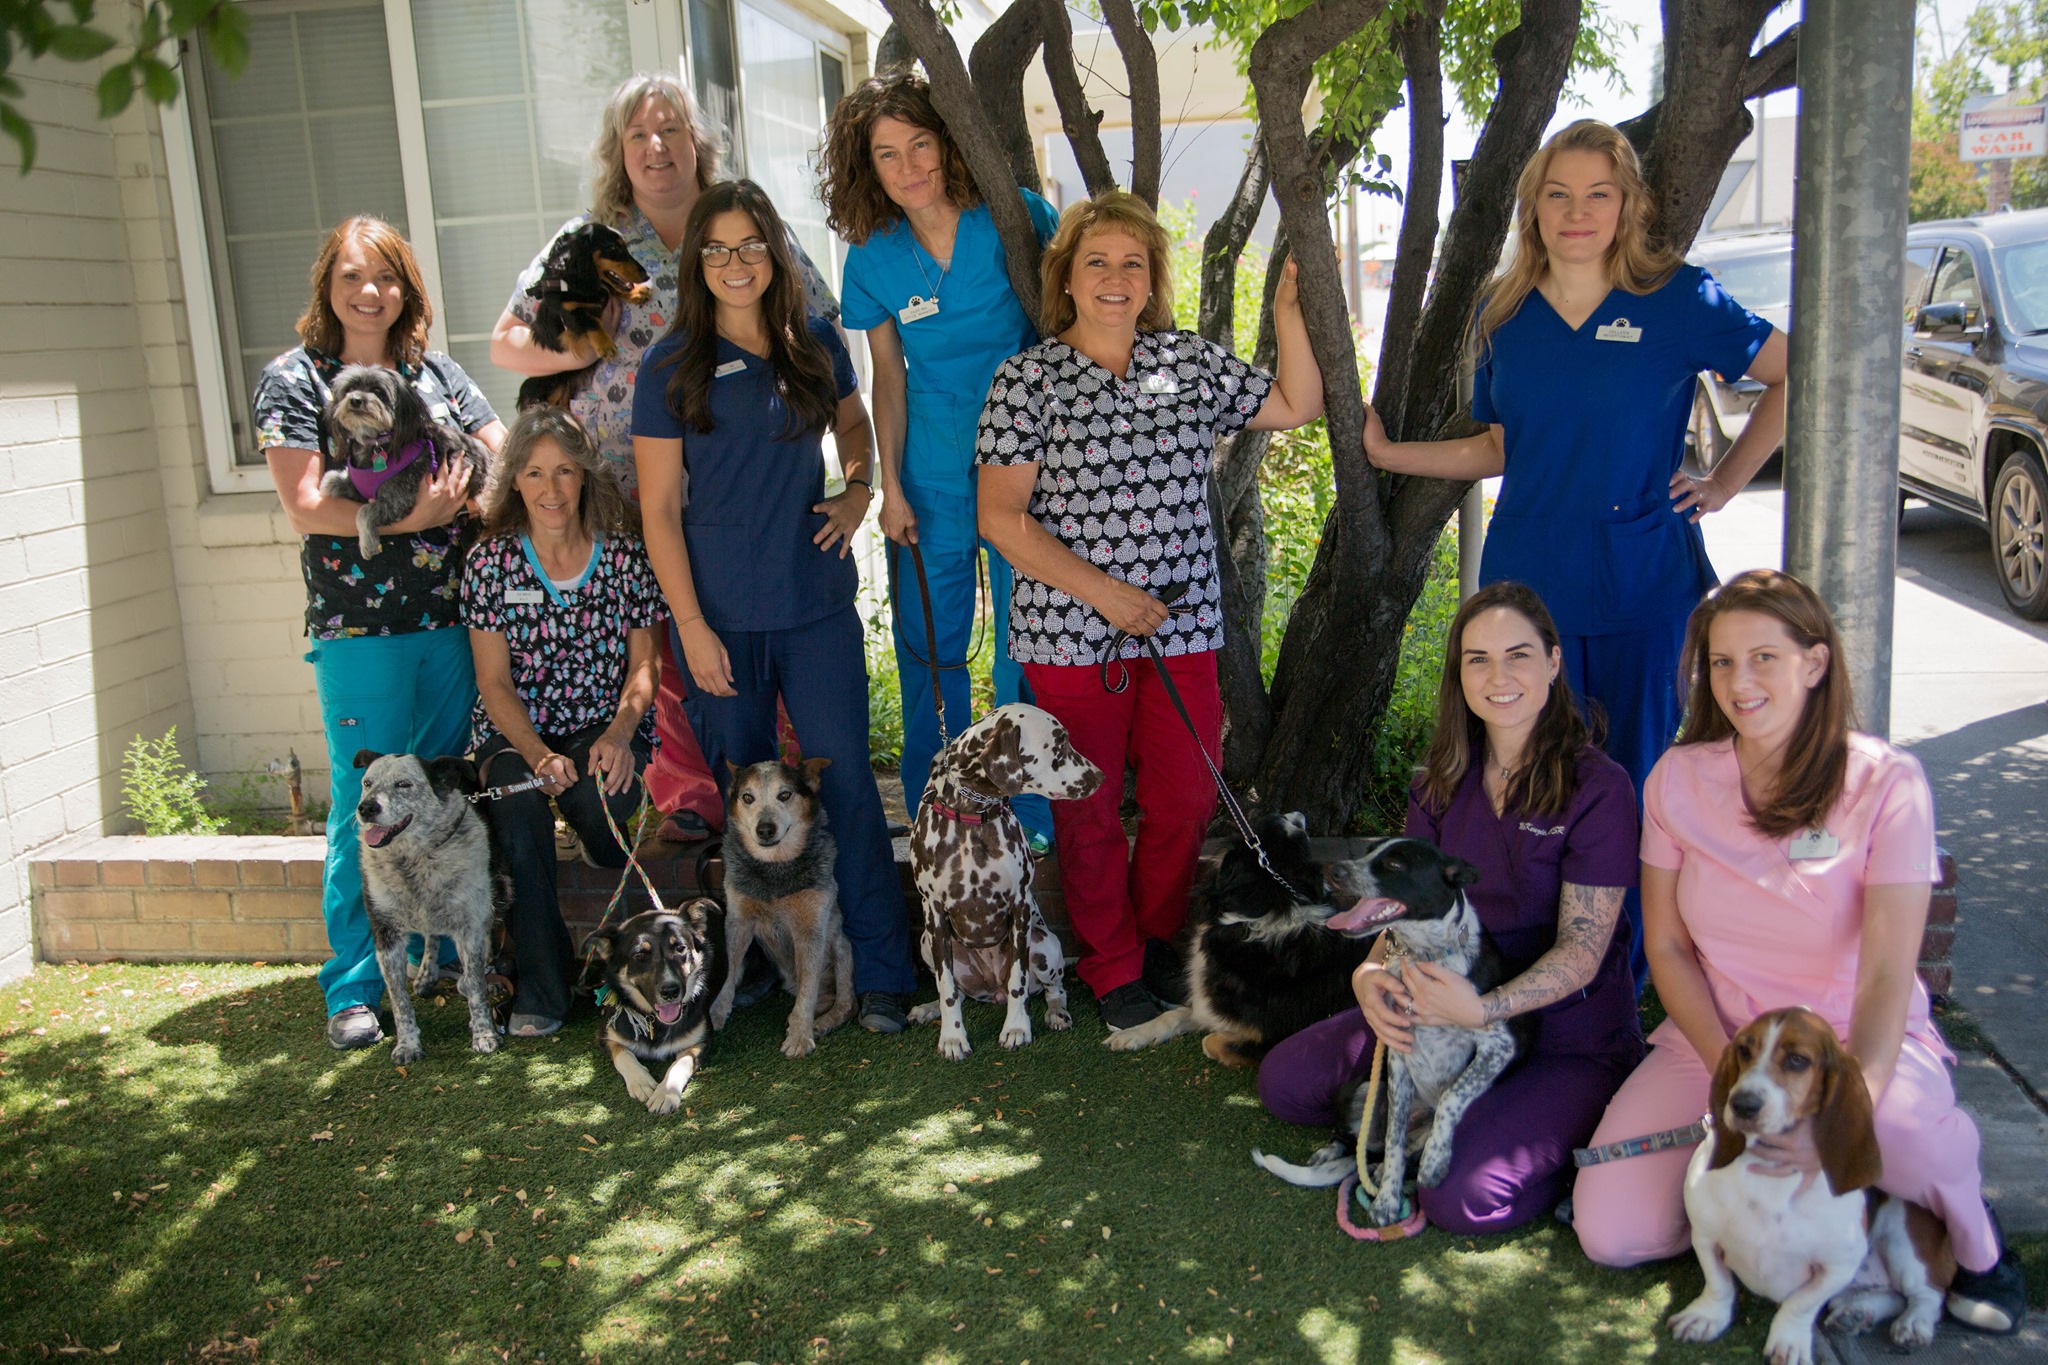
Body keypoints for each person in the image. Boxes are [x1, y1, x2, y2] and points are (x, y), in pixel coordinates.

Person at [1360, 119, 1790, 989]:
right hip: (1529, 585)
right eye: (1558, 194)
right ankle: (1523, 974)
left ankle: (1617, 995)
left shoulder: (1679, 300)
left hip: (1641, 579)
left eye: (1598, 193)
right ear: (1533, 209)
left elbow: (1794, 369)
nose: (1577, 211)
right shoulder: (1503, 314)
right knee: (1522, 778)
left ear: (1627, 204)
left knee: (1627, 784)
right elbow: (1498, 446)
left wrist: (1727, 481)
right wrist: (1392, 455)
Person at [1573, 570, 2027, 1336]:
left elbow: (1889, 969)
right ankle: (1765, 1223)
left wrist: (1829, 1107)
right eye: (1720, 662)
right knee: (1612, 1233)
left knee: (1910, 1137)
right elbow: (1671, 946)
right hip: (1718, 1040)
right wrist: (1742, 1089)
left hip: (1848, 1043)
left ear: (1814, 663)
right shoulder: (1677, 779)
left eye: (1763, 658)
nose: (1738, 682)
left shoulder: (1888, 782)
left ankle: (1973, 1238)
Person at [975, 190, 1323, 1032]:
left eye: (1134, 262)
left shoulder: (1187, 363)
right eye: (1097, 260)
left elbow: (1295, 403)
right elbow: (999, 516)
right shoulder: (1028, 380)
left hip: (1185, 630)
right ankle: (1111, 961)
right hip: (1071, 638)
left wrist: (1287, 311)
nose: (1115, 277)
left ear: (1152, 277)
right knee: (1088, 807)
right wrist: (1105, 594)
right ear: (1067, 275)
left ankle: (1160, 936)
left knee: (1181, 802)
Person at [491, 72, 836, 845]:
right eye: (639, 135)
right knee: (668, 636)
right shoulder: (591, 241)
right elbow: (505, 340)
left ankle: (777, 794)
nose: (657, 147)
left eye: (672, 131)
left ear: (697, 143)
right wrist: (589, 339)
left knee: (737, 625)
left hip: (733, 480)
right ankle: (689, 796)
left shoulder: (746, 227)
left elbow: (819, 319)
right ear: (619, 152)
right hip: (619, 485)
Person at [1258, 582, 1643, 1234]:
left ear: (1553, 661)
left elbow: (1583, 948)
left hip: (1559, 1034)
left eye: (1518, 655)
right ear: (1458, 672)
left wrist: (1484, 1009)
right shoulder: (1438, 777)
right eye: (1477, 658)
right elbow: (1397, 906)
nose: (1498, 677)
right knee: (1286, 1082)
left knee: (1461, 1194)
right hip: (1438, 1012)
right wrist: (1369, 977)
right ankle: (1450, 1117)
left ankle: (1558, 1145)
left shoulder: (1599, 788)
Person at [631, 179, 918, 1032]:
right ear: (697, 261)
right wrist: (689, 626)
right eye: (715, 248)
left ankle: (884, 973)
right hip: (718, 619)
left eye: (749, 244)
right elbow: (656, 511)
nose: (733, 262)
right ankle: (751, 972)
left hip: (812, 606)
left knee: (849, 789)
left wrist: (859, 489)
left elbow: (857, 426)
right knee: (741, 797)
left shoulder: (814, 341)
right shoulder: (669, 363)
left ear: (776, 252)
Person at [255, 215, 506, 1051]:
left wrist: (479, 491)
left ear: (408, 289)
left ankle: (440, 959)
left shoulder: (437, 372)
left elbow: (497, 457)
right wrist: (414, 517)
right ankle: (355, 986)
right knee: (360, 808)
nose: (370, 292)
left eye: (387, 276)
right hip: (360, 627)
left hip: (450, 618)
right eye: (352, 276)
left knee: (439, 798)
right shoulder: (294, 379)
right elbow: (304, 505)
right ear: (327, 285)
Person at [818, 70, 1063, 849]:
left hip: (1027, 468)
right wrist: (891, 489)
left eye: (919, 143)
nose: (909, 167)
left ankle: (1030, 811)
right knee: (929, 645)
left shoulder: (1017, 217)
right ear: (869, 169)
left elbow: (1064, 337)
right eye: (887, 155)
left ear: (948, 139)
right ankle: (942, 802)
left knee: (1027, 645)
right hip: (928, 468)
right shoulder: (872, 258)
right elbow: (888, 380)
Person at [461, 407, 666, 1038]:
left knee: (604, 829)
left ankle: (588, 824)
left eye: (565, 472)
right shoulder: (490, 563)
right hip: (515, 732)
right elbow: (493, 683)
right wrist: (537, 754)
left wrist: (620, 733)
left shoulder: (626, 558)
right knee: (519, 816)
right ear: (514, 483)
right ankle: (544, 991)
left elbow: (645, 665)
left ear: (585, 479)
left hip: (600, 727)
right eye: (534, 474)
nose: (551, 490)